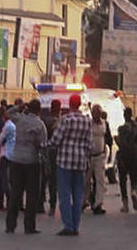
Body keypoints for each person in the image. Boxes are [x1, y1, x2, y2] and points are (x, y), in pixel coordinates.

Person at [48, 93, 92, 236]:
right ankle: (76, 225)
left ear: (69, 104)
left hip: (65, 162)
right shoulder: (87, 121)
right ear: (79, 104)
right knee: (78, 194)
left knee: (65, 194)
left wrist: (45, 145)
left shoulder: (65, 120)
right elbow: (89, 144)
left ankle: (68, 225)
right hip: (80, 162)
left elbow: (55, 140)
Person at [6, 99, 47, 234]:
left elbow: (8, 112)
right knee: (31, 195)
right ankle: (29, 226)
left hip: (16, 160)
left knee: (15, 193)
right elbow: (42, 144)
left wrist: (20, 106)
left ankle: (10, 225)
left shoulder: (20, 119)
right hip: (32, 161)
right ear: (39, 110)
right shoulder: (40, 124)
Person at [85, 104, 112, 214]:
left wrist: (108, 153)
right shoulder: (87, 124)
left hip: (100, 156)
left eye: (98, 112)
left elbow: (108, 138)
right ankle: (84, 200)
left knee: (100, 181)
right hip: (88, 155)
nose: (97, 114)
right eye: (95, 112)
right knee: (86, 180)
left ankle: (98, 204)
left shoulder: (105, 124)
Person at [116, 106, 137, 213]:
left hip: (124, 156)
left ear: (124, 115)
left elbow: (122, 143)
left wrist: (117, 140)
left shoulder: (121, 129)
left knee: (122, 180)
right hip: (135, 156)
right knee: (134, 178)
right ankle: (134, 192)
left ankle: (125, 204)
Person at [41, 99, 62, 216]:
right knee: (54, 179)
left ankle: (41, 201)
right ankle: (53, 204)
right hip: (56, 152)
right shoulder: (58, 122)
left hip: (45, 151)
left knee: (44, 177)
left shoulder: (45, 120)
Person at [0, 107, 17, 211]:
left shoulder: (7, 126)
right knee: (11, 180)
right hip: (13, 155)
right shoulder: (15, 126)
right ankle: (10, 202)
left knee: (5, 180)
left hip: (5, 155)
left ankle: (9, 201)